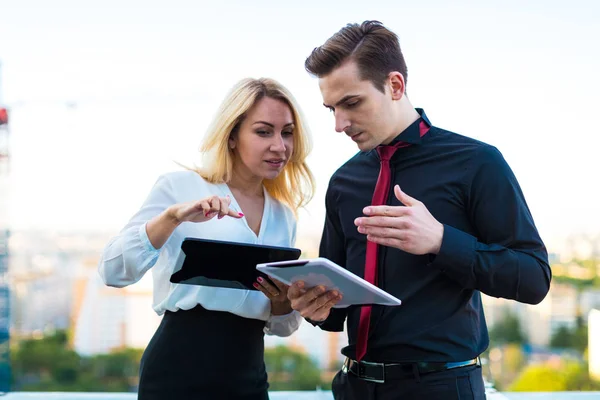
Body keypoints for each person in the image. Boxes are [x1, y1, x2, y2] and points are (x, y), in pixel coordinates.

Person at [287, 21, 551, 399]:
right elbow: (337, 309)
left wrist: (441, 241)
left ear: (395, 86)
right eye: (331, 108)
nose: (339, 124)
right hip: (352, 388)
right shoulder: (343, 181)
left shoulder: (477, 163)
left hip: (440, 388)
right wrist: (315, 308)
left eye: (351, 103)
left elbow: (534, 278)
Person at [98, 77, 315, 400]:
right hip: (176, 373)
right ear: (231, 136)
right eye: (263, 131)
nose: (280, 146)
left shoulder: (283, 215)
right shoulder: (179, 188)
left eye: (287, 132)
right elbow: (113, 271)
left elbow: (282, 326)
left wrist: (283, 302)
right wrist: (172, 218)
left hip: (249, 377)